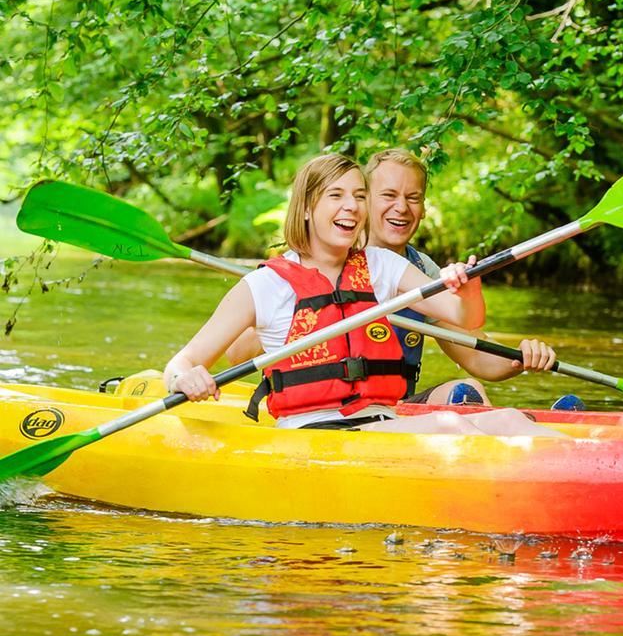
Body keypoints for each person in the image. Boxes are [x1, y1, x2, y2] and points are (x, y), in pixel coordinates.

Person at [165, 153, 564, 438]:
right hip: (315, 433)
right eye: (336, 196)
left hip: (380, 421)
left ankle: (582, 468)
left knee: (509, 418)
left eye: (358, 195)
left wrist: (468, 284)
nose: (352, 206)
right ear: (306, 208)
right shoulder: (265, 285)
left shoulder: (379, 264)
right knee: (452, 424)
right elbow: (180, 363)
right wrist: (188, 377)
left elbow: (464, 317)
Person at [364, 148, 583, 411]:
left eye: (413, 198)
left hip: (395, 408)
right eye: (388, 195)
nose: (401, 208)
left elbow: (476, 355)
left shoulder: (423, 269)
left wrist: (520, 358)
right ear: (364, 201)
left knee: (466, 391)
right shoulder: (333, 257)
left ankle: (534, 434)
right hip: (339, 411)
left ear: (423, 209)